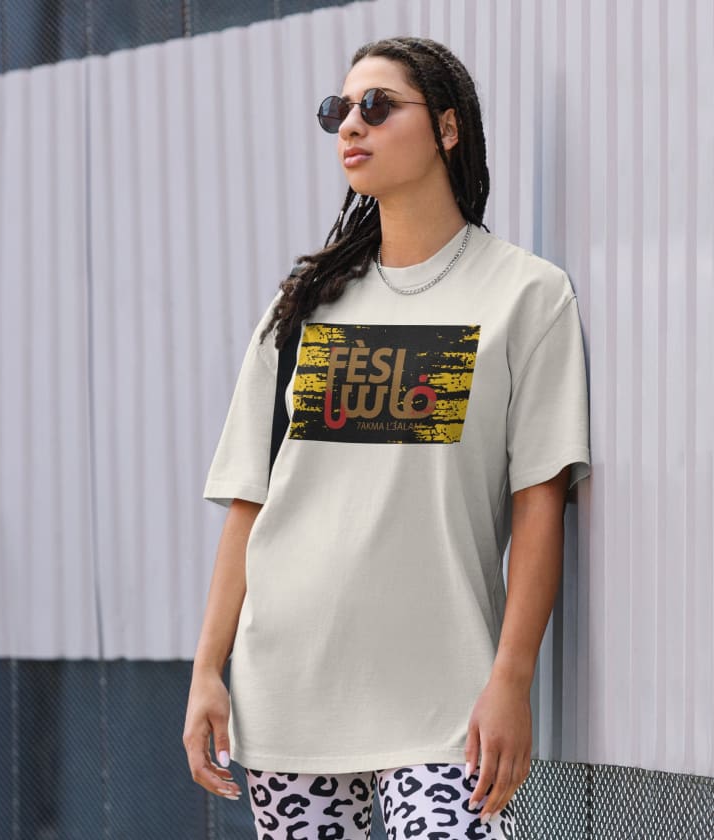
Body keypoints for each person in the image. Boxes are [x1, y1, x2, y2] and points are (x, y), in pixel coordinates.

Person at [184, 36, 590, 840]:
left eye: (376, 106)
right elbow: (250, 503)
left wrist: (512, 680)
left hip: (446, 704)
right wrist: (206, 670)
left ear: (447, 127)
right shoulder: (303, 307)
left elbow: (540, 504)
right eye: (338, 110)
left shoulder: (525, 295)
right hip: (290, 698)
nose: (351, 125)